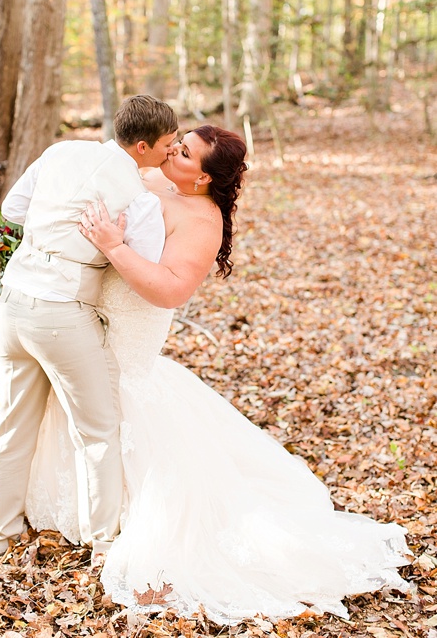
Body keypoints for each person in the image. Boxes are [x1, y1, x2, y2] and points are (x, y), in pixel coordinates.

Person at [25, 125, 411, 624]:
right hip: (82, 319)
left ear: (204, 177)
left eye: (183, 152)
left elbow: (169, 290)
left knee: (121, 408)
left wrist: (114, 246)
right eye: (176, 143)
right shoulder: (151, 177)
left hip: (131, 325)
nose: (172, 151)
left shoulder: (203, 221)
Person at [0, 95, 178, 562]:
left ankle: (0, 534)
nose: (171, 153)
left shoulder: (60, 151)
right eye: (168, 145)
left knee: (12, 425)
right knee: (97, 431)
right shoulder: (140, 199)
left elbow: (12, 210)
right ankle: (104, 545)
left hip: (12, 305)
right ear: (141, 147)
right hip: (62, 315)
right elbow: (143, 265)